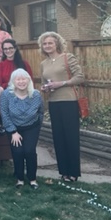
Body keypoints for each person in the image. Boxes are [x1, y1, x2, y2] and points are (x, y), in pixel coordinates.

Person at [39, 31, 84, 182]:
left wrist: (62, 83)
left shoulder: (67, 58)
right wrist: (45, 88)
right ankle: (63, 171)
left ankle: (73, 172)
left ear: (57, 43)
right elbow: (44, 82)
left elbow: (80, 77)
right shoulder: (43, 63)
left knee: (71, 137)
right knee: (58, 137)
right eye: (45, 43)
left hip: (69, 101)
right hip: (53, 102)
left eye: (50, 43)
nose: (47, 46)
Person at [1, 69, 43, 189]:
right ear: (13, 81)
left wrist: (36, 128)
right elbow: (4, 113)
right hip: (14, 128)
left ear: (28, 80)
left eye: (24, 78)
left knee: (29, 151)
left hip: (31, 127)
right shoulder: (6, 94)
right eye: (18, 79)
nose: (21, 82)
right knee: (18, 151)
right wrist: (13, 131)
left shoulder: (36, 95)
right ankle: (19, 179)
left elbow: (40, 112)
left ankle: (32, 179)